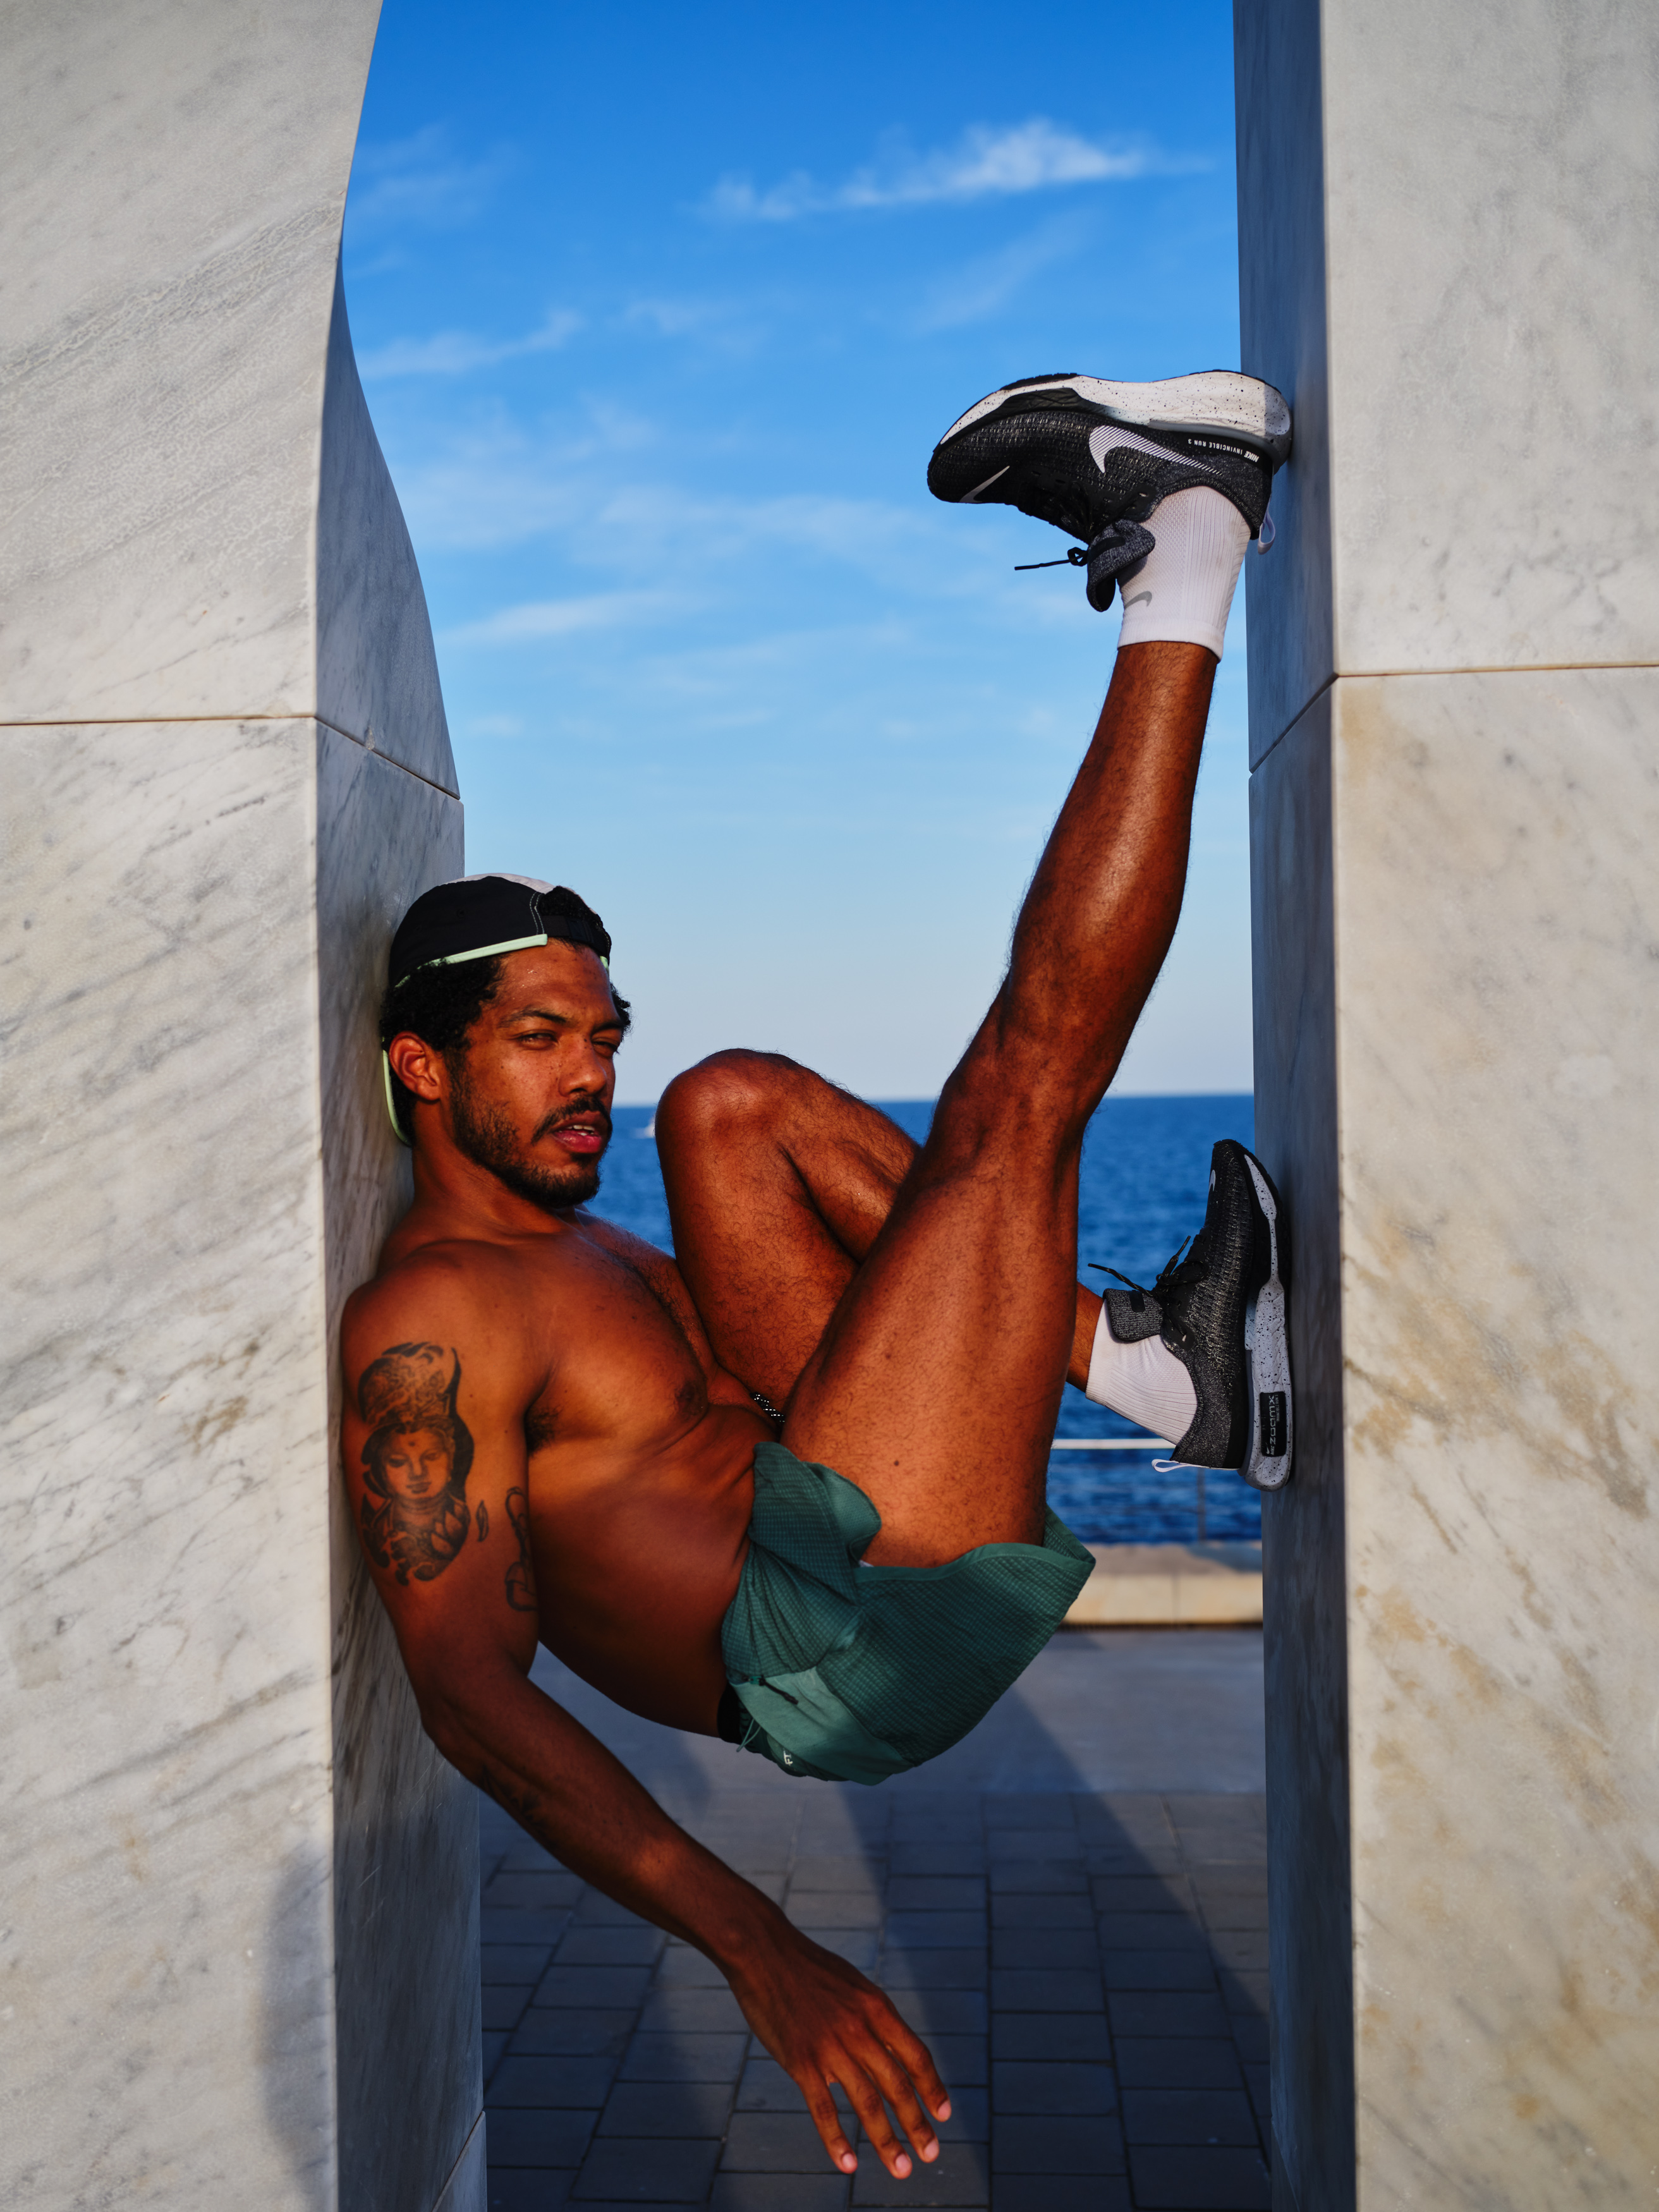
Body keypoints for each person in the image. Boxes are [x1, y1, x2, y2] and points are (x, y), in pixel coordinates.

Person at [341, 368, 1294, 2182]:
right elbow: (468, 1694)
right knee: (1014, 1100)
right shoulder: (433, 1320)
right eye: (538, 1042)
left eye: (597, 1035)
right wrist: (759, 1947)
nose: (588, 1077)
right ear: (423, 1068)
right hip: (833, 1649)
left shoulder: (575, 1244)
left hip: (817, 1503)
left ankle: (1155, 1370)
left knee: (733, 1108)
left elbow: (767, 1344)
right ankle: (1190, 535)